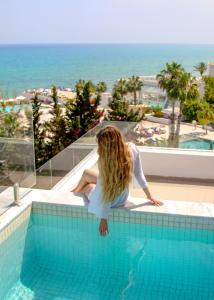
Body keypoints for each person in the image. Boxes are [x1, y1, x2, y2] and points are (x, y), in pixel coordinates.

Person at [72, 125, 163, 236]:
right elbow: (139, 174)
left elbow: (104, 191)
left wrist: (103, 218)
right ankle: (75, 191)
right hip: (122, 196)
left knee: (87, 186)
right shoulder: (131, 148)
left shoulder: (106, 162)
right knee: (87, 173)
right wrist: (149, 196)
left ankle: (76, 191)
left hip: (113, 201)